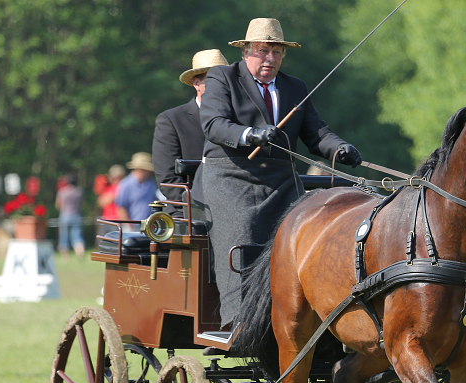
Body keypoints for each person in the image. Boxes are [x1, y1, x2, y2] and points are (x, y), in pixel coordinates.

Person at [200, 17, 362, 327]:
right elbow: (213, 124)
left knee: (306, 236)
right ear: (246, 51)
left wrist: (340, 148)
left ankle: (306, 318)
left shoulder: (294, 86)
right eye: (263, 51)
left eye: (277, 52)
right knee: (242, 238)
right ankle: (238, 321)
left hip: (281, 179)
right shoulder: (223, 77)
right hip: (232, 177)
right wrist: (250, 134)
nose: (270, 59)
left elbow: (316, 132)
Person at [152, 49, 229, 218]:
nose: (220, 89)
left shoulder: (238, 121)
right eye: (212, 82)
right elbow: (168, 181)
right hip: (187, 213)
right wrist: (200, 209)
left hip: (233, 209)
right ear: (196, 83)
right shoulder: (171, 120)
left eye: (224, 83)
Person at [114, 152, 159, 226]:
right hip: (133, 226)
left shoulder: (151, 183)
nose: (150, 172)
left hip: (149, 226)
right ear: (140, 169)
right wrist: (129, 226)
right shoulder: (126, 184)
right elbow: (121, 207)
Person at [55, 172, 85, 258]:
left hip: (65, 215)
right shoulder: (79, 191)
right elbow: (81, 203)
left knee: (63, 236)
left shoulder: (62, 191)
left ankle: (65, 256)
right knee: (77, 236)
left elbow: (58, 204)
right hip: (76, 215)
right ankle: (80, 253)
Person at [96, 164, 125, 236]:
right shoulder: (108, 187)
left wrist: (109, 198)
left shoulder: (123, 186)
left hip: (117, 219)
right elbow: (100, 202)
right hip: (106, 219)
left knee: (116, 241)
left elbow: (113, 198)